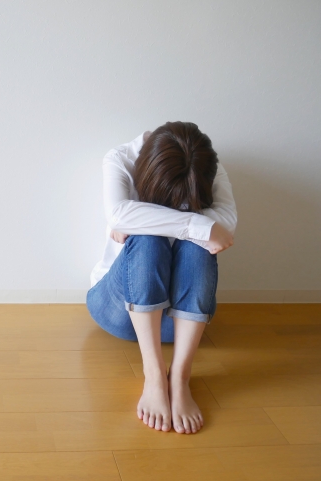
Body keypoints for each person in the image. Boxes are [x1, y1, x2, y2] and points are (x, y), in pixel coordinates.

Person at [86, 121, 237, 434]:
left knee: (198, 246)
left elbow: (226, 226)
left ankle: (180, 378)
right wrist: (196, 224)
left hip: (180, 325)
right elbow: (118, 213)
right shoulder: (121, 159)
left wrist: (139, 217)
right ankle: (154, 376)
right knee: (149, 241)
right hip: (116, 310)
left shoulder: (208, 167)